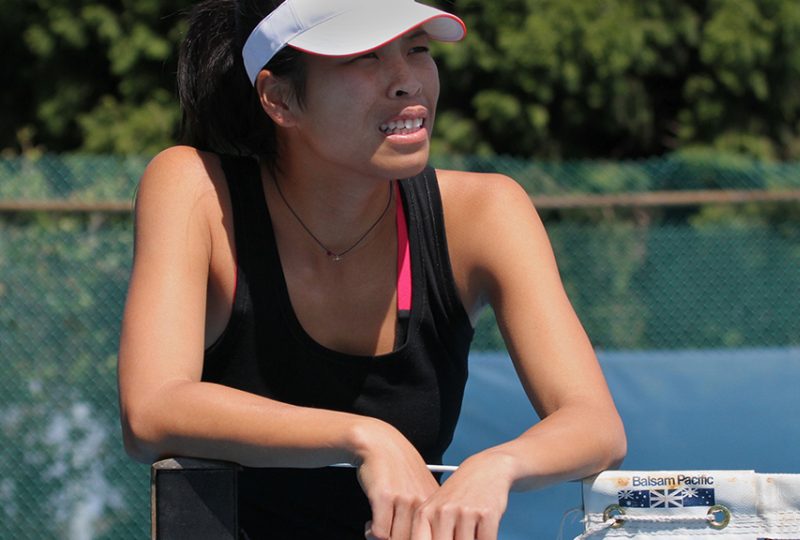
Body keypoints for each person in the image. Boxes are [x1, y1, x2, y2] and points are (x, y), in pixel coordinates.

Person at [117, 0, 626, 538]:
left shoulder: (489, 212)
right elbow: (151, 410)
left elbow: (596, 426)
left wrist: (497, 467)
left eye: (418, 50)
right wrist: (365, 437)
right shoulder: (190, 187)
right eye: (364, 57)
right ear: (280, 98)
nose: (408, 81)